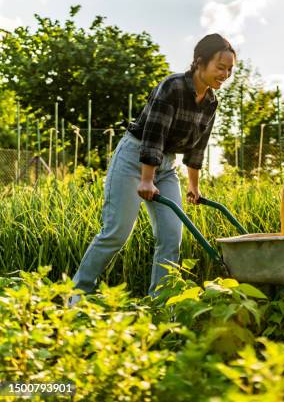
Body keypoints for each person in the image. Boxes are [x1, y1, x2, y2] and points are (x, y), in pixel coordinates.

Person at [70, 34, 235, 305]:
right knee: (116, 232)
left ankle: (159, 304)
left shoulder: (211, 102)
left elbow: (198, 148)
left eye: (230, 69)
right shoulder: (172, 87)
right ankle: (76, 295)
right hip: (134, 158)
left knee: (172, 236)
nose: (225, 74)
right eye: (220, 67)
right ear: (199, 62)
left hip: (166, 167)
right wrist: (146, 179)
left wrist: (194, 186)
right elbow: (153, 134)